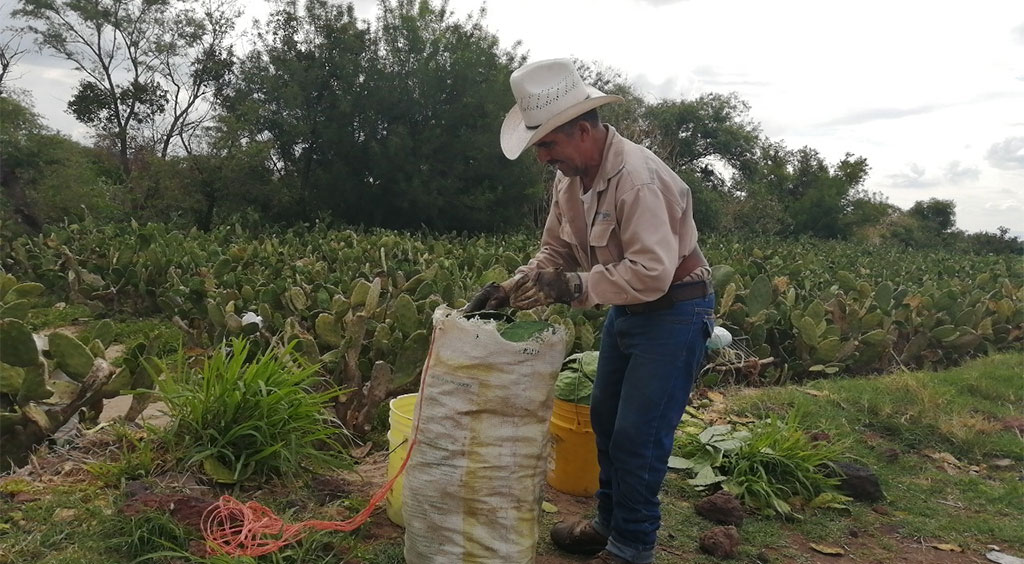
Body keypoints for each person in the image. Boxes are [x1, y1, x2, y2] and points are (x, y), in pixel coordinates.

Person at [466, 58, 715, 564]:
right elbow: (554, 252)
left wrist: (574, 286)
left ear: (582, 130)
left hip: (674, 312)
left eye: (547, 145)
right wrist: (511, 289)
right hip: (628, 311)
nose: (543, 158)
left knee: (638, 436)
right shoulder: (570, 179)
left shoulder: (639, 180)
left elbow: (651, 272)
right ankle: (608, 523)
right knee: (605, 419)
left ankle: (631, 547)